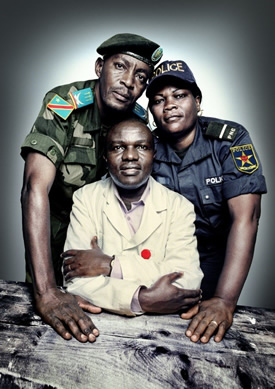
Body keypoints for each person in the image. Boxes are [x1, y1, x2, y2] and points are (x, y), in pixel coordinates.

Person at [20, 33, 163, 342]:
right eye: (120, 67)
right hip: (55, 236)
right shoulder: (64, 104)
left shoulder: (138, 121)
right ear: (100, 67)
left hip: (106, 244)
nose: (129, 82)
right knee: (46, 334)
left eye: (141, 76)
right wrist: (46, 291)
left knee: (115, 336)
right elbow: (34, 189)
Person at [146, 60, 267, 343]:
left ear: (197, 101)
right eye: (159, 100)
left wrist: (225, 299)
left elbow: (246, 219)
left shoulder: (230, 141)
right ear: (151, 111)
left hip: (215, 259)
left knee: (205, 339)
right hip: (158, 260)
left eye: (179, 95)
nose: (170, 105)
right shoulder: (144, 146)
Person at [62, 118, 203, 318]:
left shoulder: (179, 207)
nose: (129, 156)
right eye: (118, 147)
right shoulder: (86, 198)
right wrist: (141, 299)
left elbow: (186, 280)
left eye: (142, 147)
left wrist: (110, 266)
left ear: (154, 154)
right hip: (99, 327)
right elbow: (75, 279)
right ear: (105, 156)